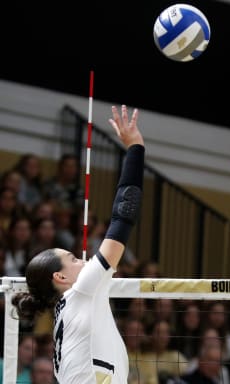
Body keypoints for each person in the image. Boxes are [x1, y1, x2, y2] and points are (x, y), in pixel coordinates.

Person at [11, 104, 145, 383]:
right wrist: (135, 148)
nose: (84, 261)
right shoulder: (81, 291)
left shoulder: (73, 307)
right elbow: (123, 216)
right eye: (73, 259)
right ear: (60, 277)